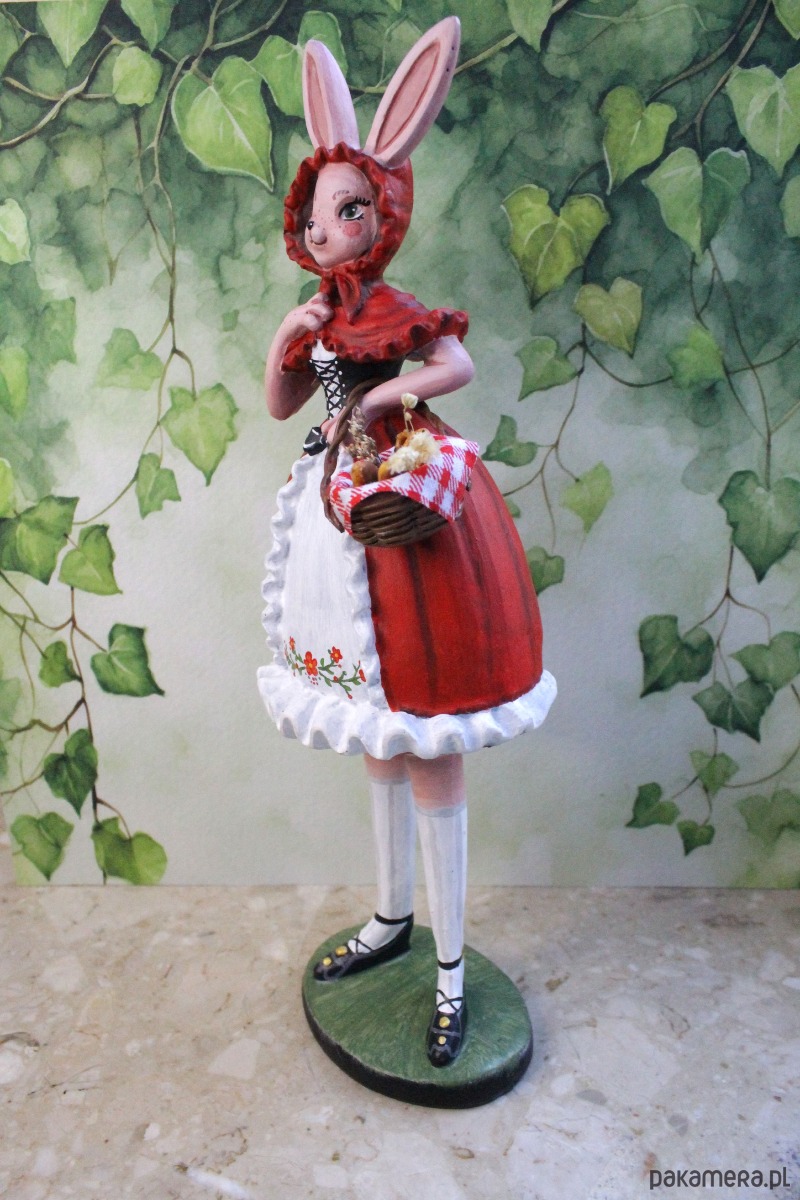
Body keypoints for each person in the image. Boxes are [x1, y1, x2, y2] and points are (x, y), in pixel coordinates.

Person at [259, 18, 556, 1067]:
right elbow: (281, 404)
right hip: (337, 517)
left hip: (406, 509)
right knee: (376, 734)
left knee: (429, 740)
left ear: (380, 216)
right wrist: (286, 339)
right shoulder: (319, 311)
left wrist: (386, 392)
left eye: (348, 210)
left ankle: (450, 968)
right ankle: (391, 917)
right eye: (317, 213)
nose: (327, 227)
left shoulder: (390, 307)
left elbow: (455, 368)